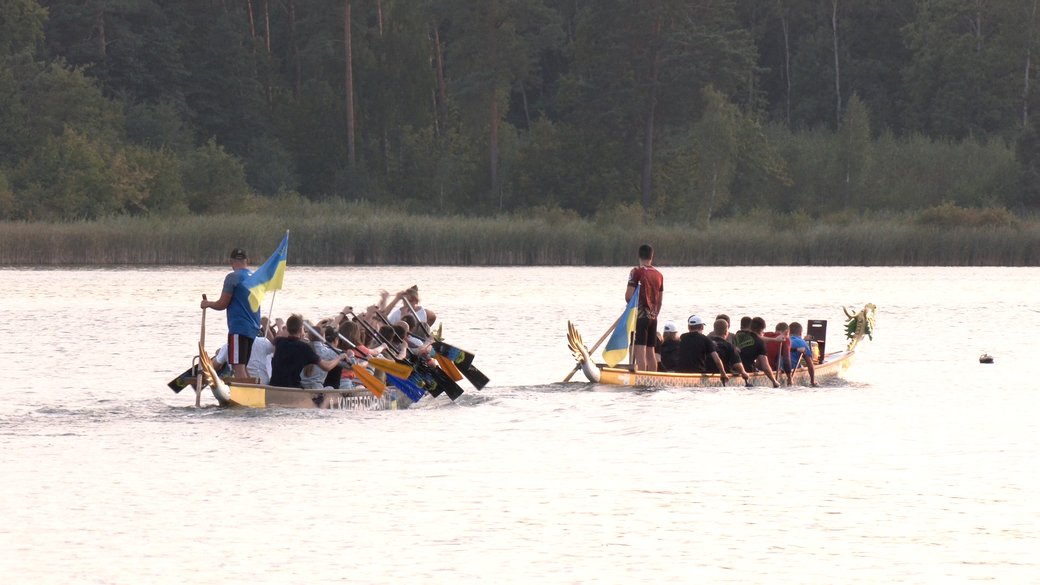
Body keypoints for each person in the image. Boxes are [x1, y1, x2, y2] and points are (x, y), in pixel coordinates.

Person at [201, 247, 261, 379]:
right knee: (243, 365)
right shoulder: (256, 278)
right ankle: (252, 393)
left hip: (239, 328)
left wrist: (208, 304)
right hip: (253, 328)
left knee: (237, 366)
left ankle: (246, 398)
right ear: (247, 261)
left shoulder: (232, 277)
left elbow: (222, 304)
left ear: (231, 262)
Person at [269, 314, 352, 388]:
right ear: (301, 329)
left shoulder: (279, 341)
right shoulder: (304, 348)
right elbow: (327, 367)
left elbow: (280, 336)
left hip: (273, 386)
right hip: (292, 388)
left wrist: (279, 327)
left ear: (287, 328)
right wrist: (340, 357)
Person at [626, 244, 664, 372]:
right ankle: (652, 378)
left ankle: (641, 381)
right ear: (651, 256)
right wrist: (654, 314)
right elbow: (660, 300)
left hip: (640, 317)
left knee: (639, 351)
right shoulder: (659, 275)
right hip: (653, 317)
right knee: (650, 351)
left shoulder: (636, 271)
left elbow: (628, 296)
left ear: (639, 256)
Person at [676, 315, 727, 382]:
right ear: (702, 327)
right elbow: (717, 360)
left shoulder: (682, 337)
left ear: (688, 327)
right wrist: (723, 374)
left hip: (680, 373)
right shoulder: (705, 339)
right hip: (697, 373)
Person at [734, 317, 780, 388]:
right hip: (746, 372)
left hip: (732, 369)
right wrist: (774, 381)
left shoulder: (739, 333)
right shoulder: (760, 343)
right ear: (761, 329)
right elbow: (765, 367)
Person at [706, 318, 751, 386]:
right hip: (723, 375)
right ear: (726, 331)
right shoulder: (729, 346)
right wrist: (744, 373)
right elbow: (737, 364)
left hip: (705, 372)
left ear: (714, 331)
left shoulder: (706, 343)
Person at [788, 322, 818, 387]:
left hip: (781, 368)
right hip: (793, 369)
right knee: (802, 366)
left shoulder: (784, 340)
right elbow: (810, 365)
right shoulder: (802, 343)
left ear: (788, 332)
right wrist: (812, 381)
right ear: (801, 333)